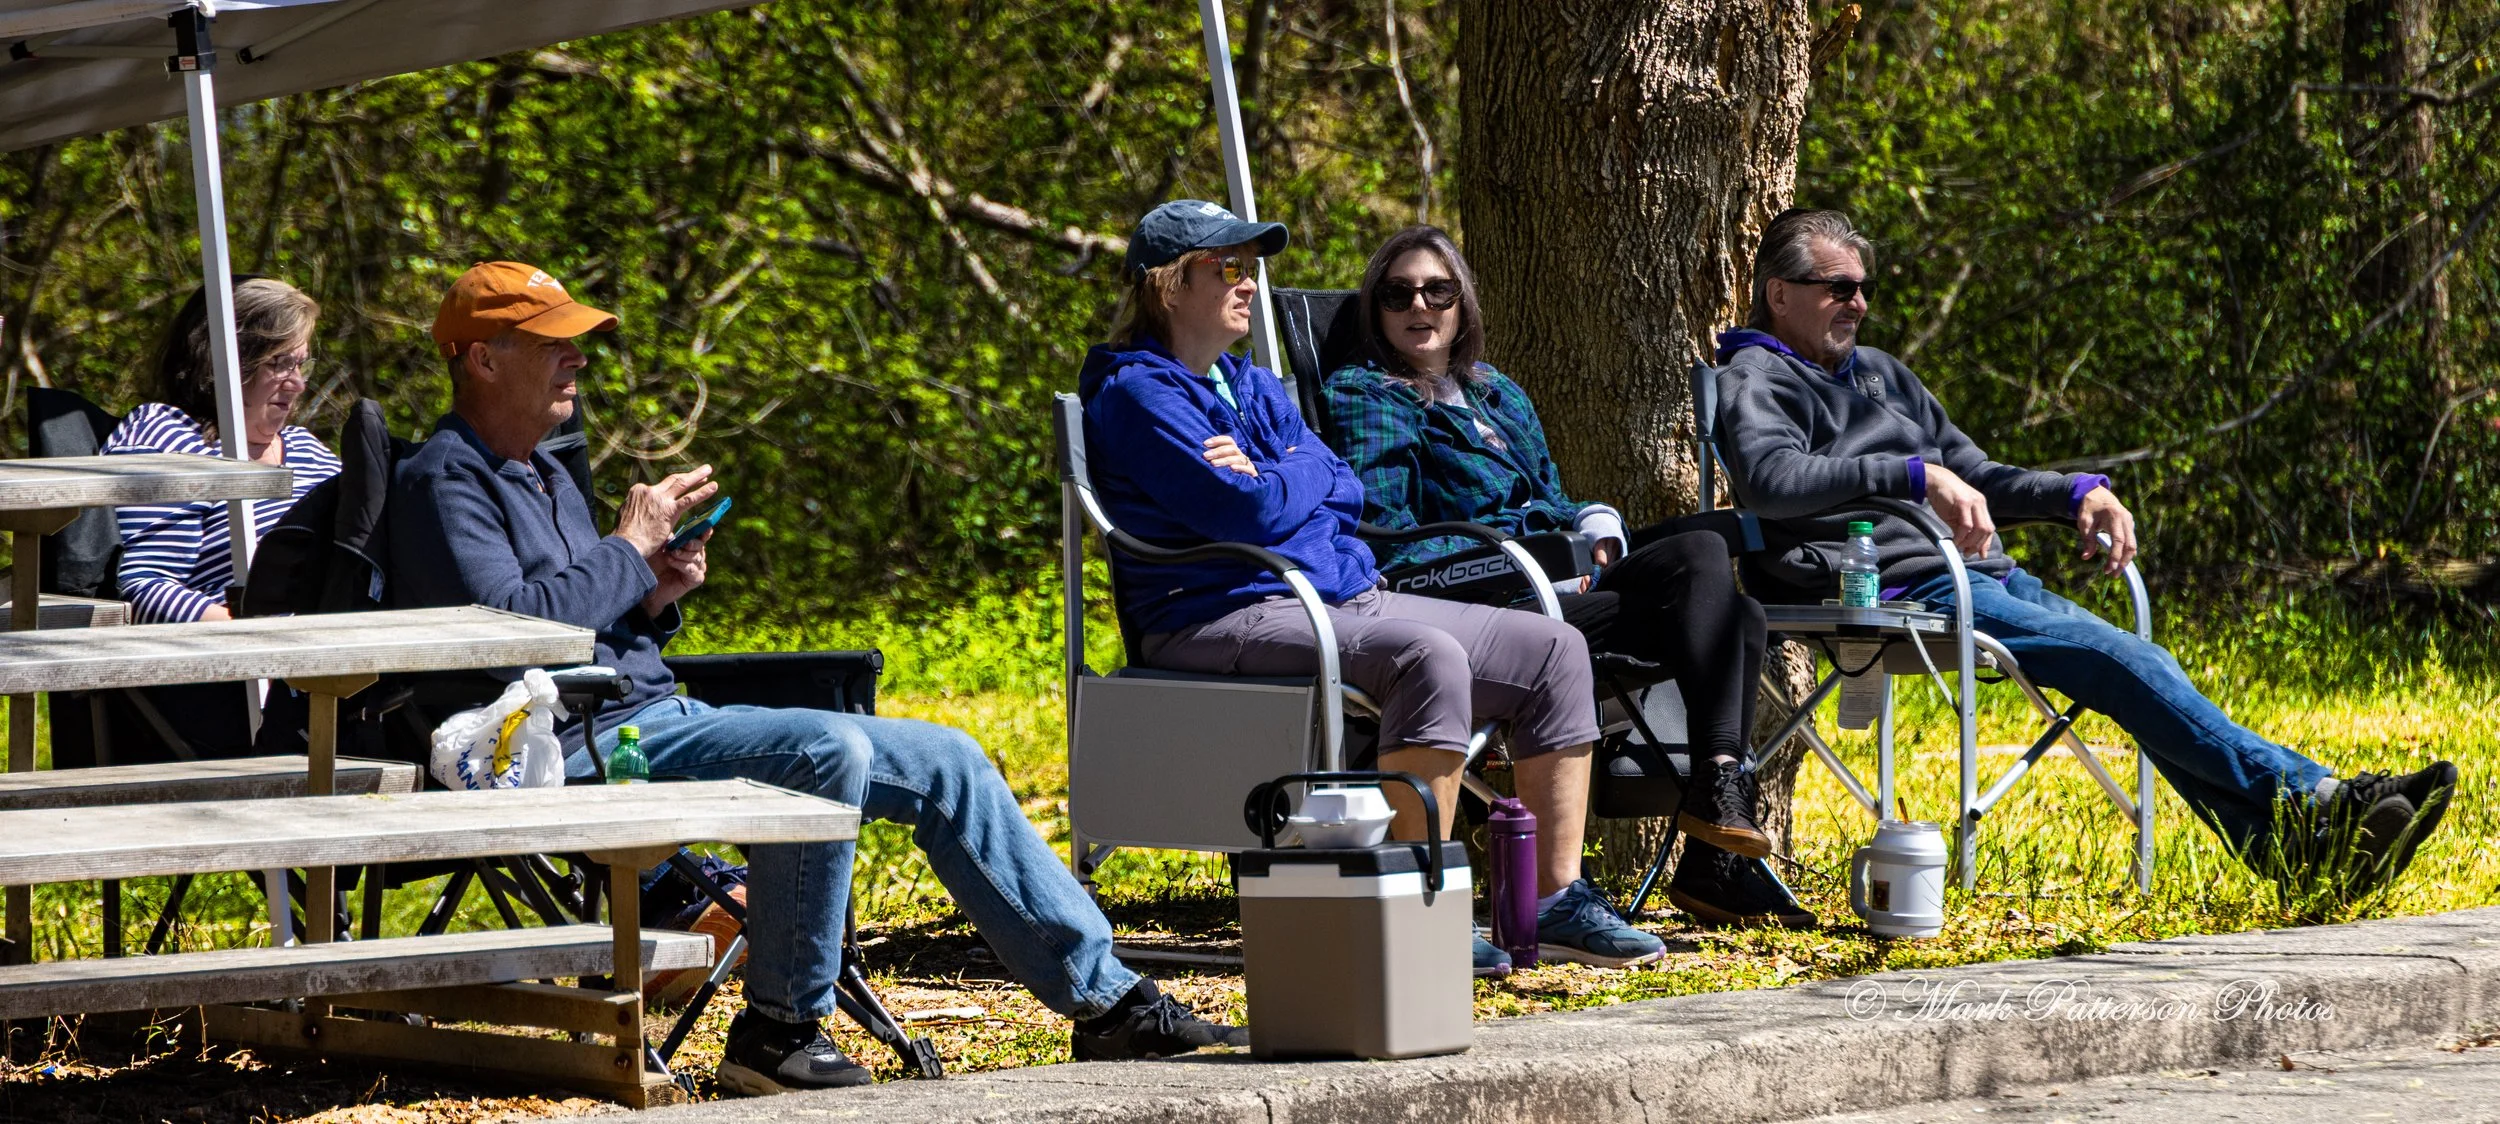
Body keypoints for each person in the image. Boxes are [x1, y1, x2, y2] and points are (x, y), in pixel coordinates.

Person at [389, 261, 1244, 1097]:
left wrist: (652, 593)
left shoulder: (543, 468)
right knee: (822, 749)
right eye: (552, 343)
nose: (577, 358)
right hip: (568, 744)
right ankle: (780, 1032)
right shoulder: (443, 477)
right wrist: (628, 547)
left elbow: (585, 616)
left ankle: (1108, 1003)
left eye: (578, 343)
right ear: (481, 357)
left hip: (647, 714)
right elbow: (510, 634)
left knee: (946, 757)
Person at [1714, 208, 2459, 887]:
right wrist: (1914, 476)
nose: (1860, 304)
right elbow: (1773, 480)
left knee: (2139, 668)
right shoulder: (1756, 374)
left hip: (1978, 575)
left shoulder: (1881, 376)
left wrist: (2075, 492)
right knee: (2119, 661)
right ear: (1780, 294)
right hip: (1891, 589)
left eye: (1864, 287)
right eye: (1838, 288)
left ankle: (2294, 852)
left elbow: (1976, 474)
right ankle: (2320, 798)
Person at [1078, 202, 1662, 974]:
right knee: (1427, 656)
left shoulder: (1247, 384)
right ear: (1170, 286)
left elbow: (1342, 484)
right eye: (1229, 267)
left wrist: (1281, 473)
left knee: (1553, 648)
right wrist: (1288, 480)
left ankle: (1554, 899)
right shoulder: (1139, 395)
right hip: (1219, 613)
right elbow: (1240, 510)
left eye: (1250, 267)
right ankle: (1419, 909)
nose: (1248, 283)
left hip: (1333, 596)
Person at [1323, 226, 1806, 929]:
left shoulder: (1495, 392)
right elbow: (1389, 536)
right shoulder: (1366, 394)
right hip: (1485, 598)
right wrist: (1538, 558)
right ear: (1376, 308)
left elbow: (1549, 494)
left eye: (1438, 290)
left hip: (1555, 580)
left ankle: (1714, 819)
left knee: (1729, 592)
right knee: (1711, 577)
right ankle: (1715, 835)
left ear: (1463, 305)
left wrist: (1595, 525)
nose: (1418, 306)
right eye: (1398, 293)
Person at [105, 277, 342, 623]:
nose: (298, 383)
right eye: (280, 364)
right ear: (226, 363)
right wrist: (265, 640)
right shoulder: (170, 437)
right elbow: (144, 589)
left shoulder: (310, 450)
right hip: (244, 660)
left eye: (302, 364)